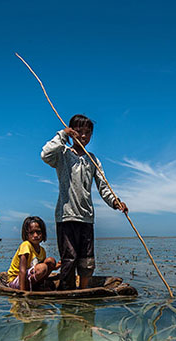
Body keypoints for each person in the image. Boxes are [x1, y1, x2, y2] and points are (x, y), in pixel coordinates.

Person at [41, 114, 128, 290]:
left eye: (87, 132)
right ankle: (68, 293)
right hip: (66, 217)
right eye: (78, 131)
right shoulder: (62, 155)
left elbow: (104, 187)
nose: (83, 136)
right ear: (72, 132)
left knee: (87, 261)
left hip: (86, 218)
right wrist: (63, 134)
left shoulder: (93, 160)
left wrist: (115, 202)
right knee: (69, 259)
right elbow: (45, 154)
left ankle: (84, 291)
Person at [6, 216, 60, 291]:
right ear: (26, 234)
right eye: (31, 232)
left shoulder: (42, 250)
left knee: (51, 261)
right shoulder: (26, 245)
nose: (35, 235)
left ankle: (38, 285)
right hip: (17, 280)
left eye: (38, 232)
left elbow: (43, 270)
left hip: (29, 278)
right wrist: (22, 292)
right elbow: (22, 270)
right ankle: (29, 287)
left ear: (43, 233)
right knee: (42, 267)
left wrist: (55, 267)